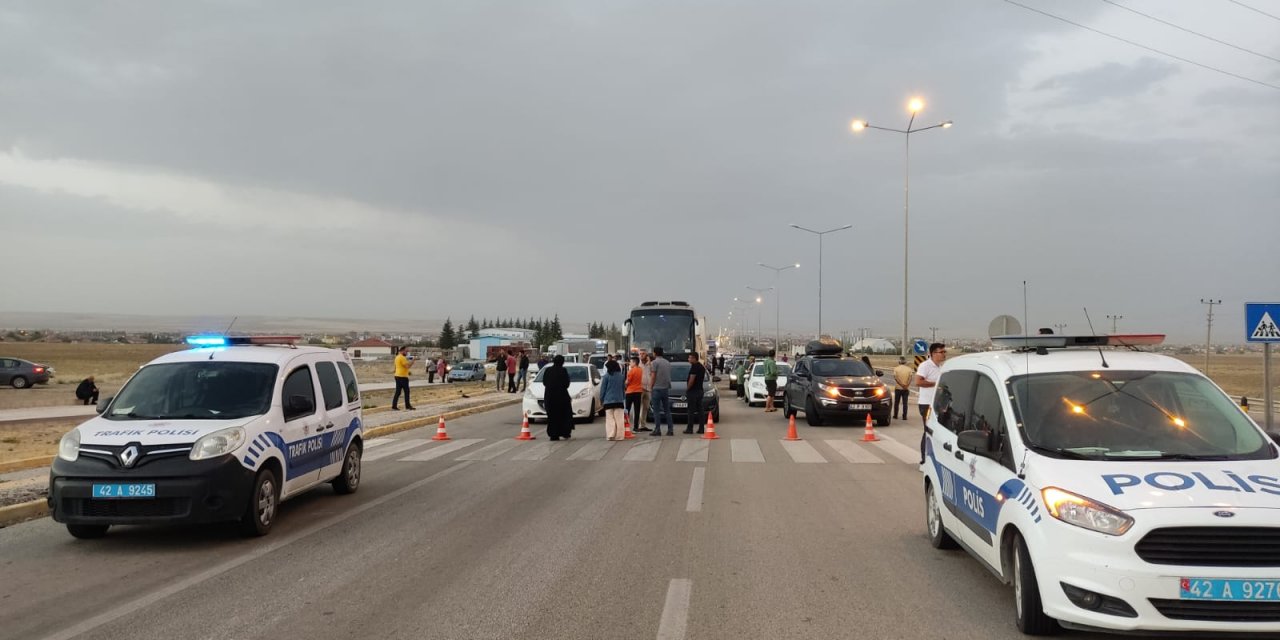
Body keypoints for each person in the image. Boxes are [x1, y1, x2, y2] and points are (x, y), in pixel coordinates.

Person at [914, 343, 946, 462]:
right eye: (941, 352)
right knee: (928, 430)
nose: (944, 354)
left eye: (944, 352)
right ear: (933, 354)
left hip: (938, 404)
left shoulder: (940, 367)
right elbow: (918, 382)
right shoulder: (925, 366)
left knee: (938, 432)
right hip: (926, 404)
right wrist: (935, 384)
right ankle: (924, 459)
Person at [542, 355, 574, 440]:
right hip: (562, 396)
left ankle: (553, 434)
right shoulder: (563, 370)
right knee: (564, 415)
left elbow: (544, 382)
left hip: (550, 396)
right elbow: (566, 384)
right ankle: (565, 432)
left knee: (552, 416)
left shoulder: (548, 370)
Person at [649, 347, 675, 436]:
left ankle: (657, 430)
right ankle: (670, 429)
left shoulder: (654, 363)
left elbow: (653, 376)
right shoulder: (667, 363)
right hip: (665, 388)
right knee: (667, 410)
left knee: (656, 410)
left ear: (655, 353)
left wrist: (650, 387)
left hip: (656, 388)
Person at [600, 360, 627, 440]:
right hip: (619, 400)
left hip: (608, 400)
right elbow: (623, 388)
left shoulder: (606, 376)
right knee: (619, 419)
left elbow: (603, 390)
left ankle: (611, 435)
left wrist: (601, 399)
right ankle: (620, 436)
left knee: (610, 419)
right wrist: (623, 397)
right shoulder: (621, 376)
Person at [683, 353, 707, 434]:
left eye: (690, 358)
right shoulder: (701, 367)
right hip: (700, 390)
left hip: (693, 391)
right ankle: (701, 428)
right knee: (700, 410)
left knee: (691, 411)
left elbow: (692, 379)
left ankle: (690, 428)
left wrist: (688, 389)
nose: (688, 359)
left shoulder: (694, 367)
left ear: (694, 358)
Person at [391, 346, 414, 410]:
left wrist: (408, 372)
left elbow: (397, 367)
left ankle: (394, 406)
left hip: (397, 376)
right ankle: (408, 406)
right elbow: (407, 366)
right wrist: (413, 361)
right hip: (402, 377)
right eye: (406, 351)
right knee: (406, 392)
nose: (407, 352)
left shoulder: (397, 357)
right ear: (402, 351)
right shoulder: (402, 358)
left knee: (398, 392)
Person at [625, 355, 644, 430]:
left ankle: (626, 426)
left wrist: (625, 384)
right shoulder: (640, 370)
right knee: (637, 410)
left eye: (631, 362)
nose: (630, 363)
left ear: (634, 362)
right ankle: (636, 427)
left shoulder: (631, 371)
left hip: (630, 392)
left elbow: (627, 382)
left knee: (627, 410)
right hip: (638, 392)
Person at [892, 357, 914, 421]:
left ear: (899, 362)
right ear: (905, 362)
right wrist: (906, 385)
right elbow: (910, 378)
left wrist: (901, 385)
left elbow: (896, 378)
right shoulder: (909, 369)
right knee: (905, 403)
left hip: (898, 388)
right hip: (906, 389)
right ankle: (904, 416)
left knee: (896, 403)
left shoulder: (896, 369)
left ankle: (895, 415)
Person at [636, 352, 653, 431]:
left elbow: (652, 373)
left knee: (646, 407)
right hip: (640, 388)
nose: (642, 355)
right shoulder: (637, 365)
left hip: (648, 388)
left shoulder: (650, 365)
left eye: (644, 354)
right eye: (641, 354)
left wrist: (650, 363)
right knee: (638, 407)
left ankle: (643, 425)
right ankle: (637, 425)